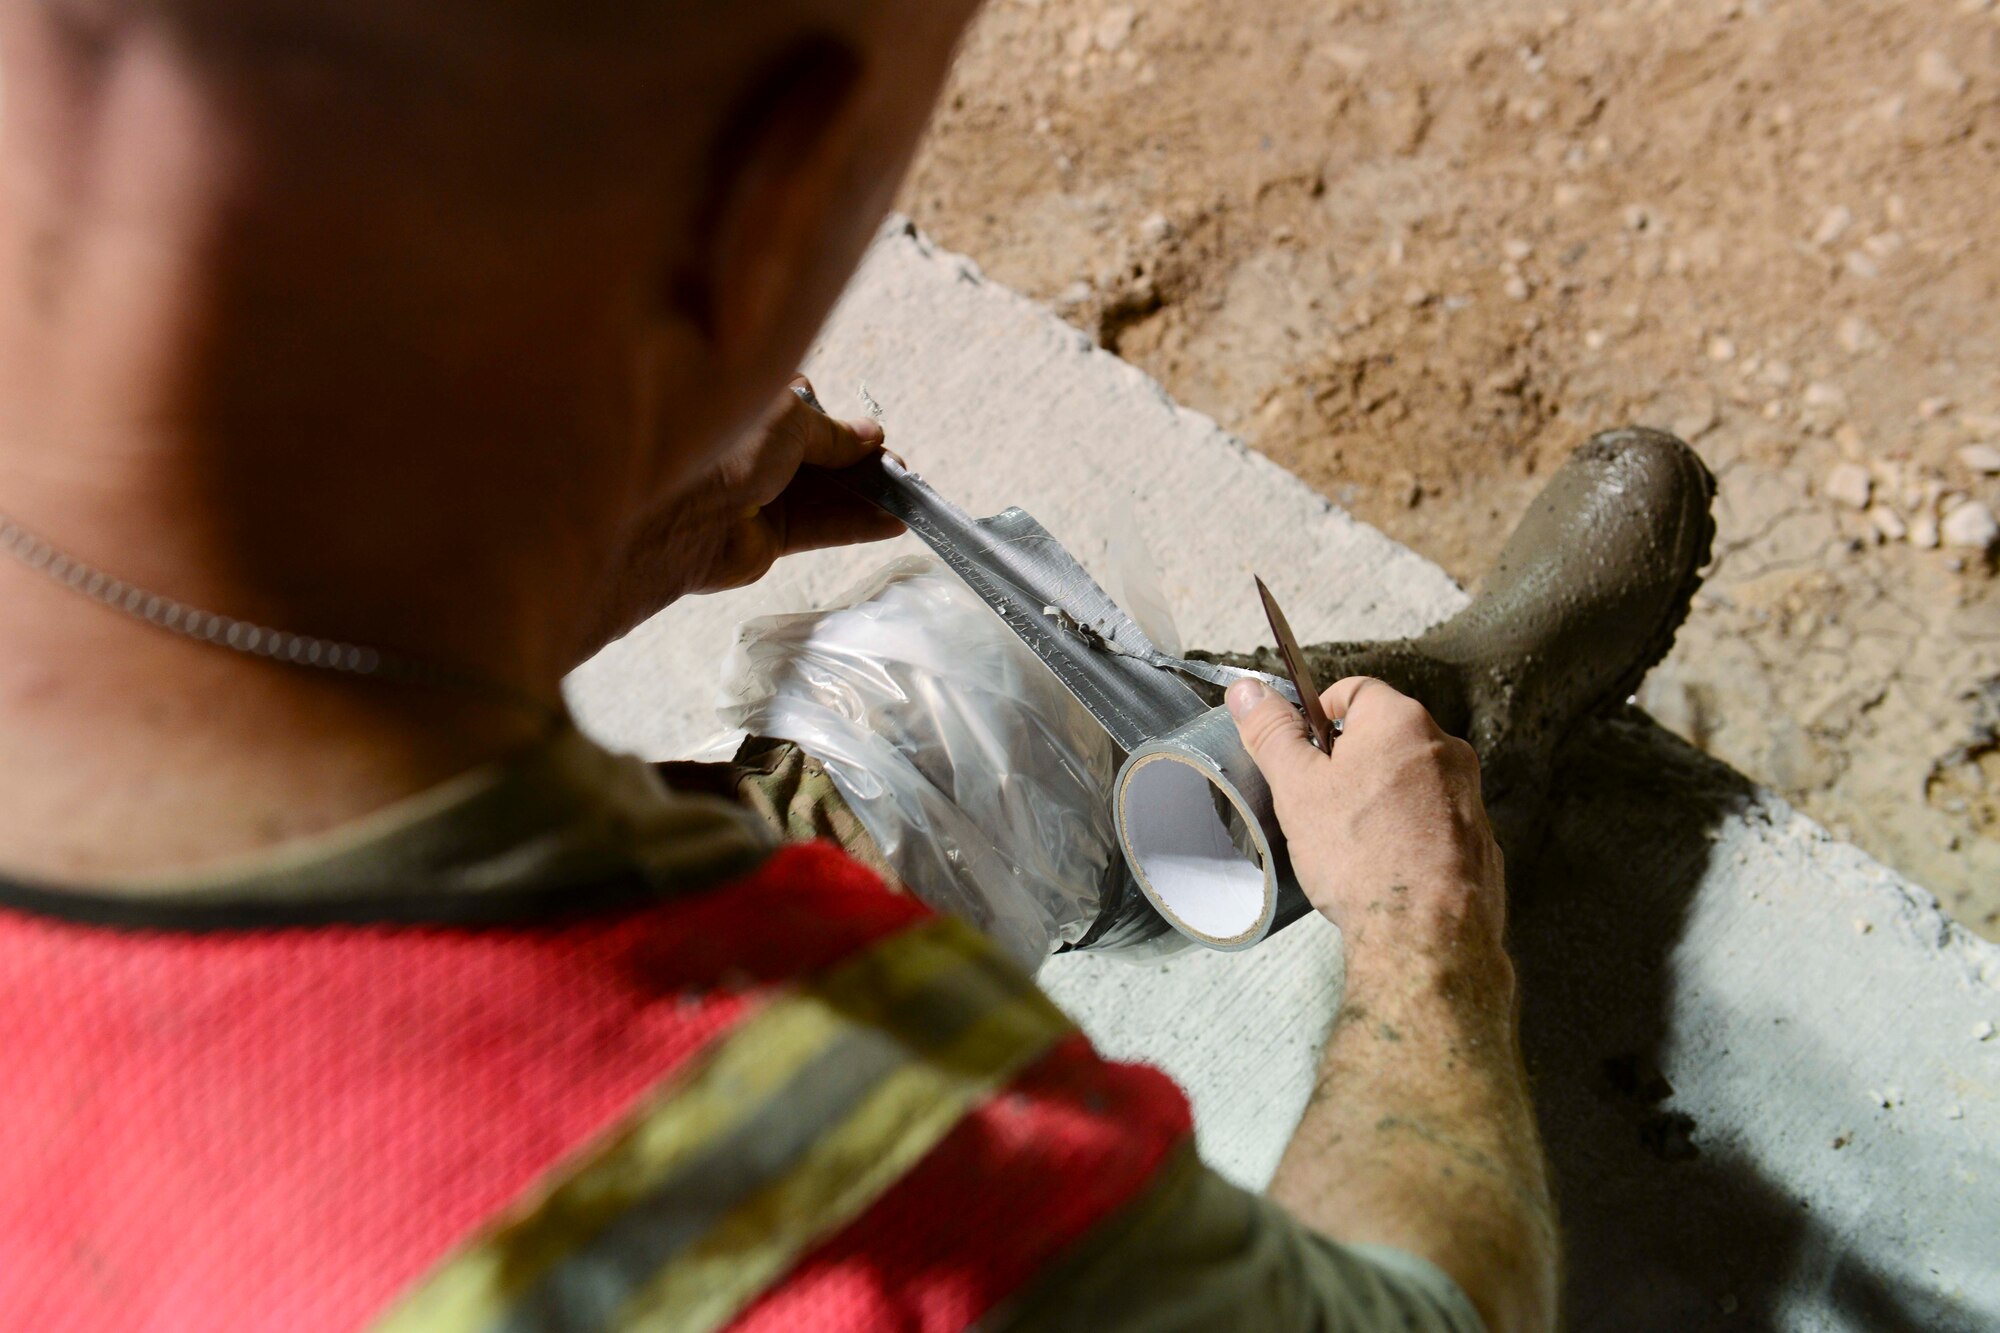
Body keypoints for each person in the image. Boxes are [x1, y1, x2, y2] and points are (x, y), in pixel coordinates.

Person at [0, 1, 1706, 1328]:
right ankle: (1465, 776)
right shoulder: (816, 1224)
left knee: (965, 689)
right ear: (762, 210)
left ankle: (1274, 746)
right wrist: (1426, 950)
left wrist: (566, 526)